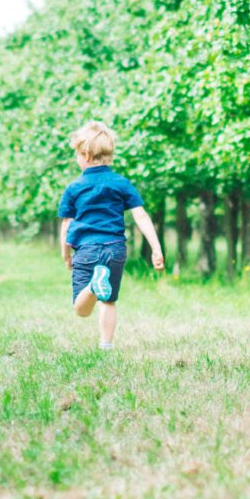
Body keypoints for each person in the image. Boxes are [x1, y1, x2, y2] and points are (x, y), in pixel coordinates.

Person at [58, 120, 164, 350]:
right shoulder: (121, 183)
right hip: (115, 250)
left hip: (86, 250)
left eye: (76, 154)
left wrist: (66, 255)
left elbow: (67, 225)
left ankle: (94, 285)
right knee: (109, 300)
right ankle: (106, 345)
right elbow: (141, 216)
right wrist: (156, 247)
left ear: (85, 155)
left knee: (81, 309)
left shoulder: (74, 187)